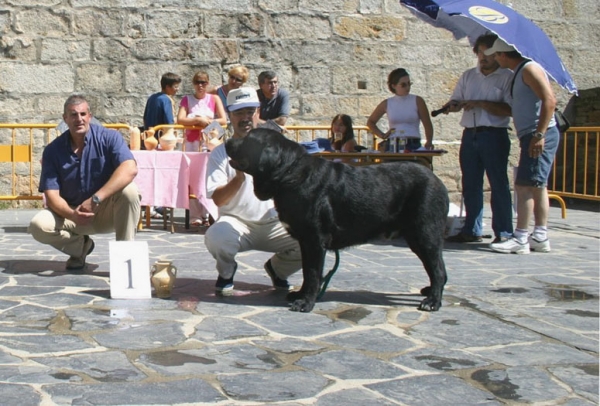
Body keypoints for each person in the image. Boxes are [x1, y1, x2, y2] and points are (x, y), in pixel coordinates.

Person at [204, 87, 302, 295]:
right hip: (237, 223)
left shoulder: (278, 148)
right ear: (229, 115)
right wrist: (239, 177)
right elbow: (219, 200)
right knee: (217, 237)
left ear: (258, 113)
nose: (245, 118)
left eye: (250, 111)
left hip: (275, 222)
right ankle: (226, 272)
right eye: (239, 113)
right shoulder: (220, 154)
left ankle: (278, 270)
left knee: (313, 238)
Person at [28, 94, 141, 271]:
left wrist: (96, 199)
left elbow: (130, 168)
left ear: (90, 116)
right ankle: (81, 247)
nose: (78, 119)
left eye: (82, 114)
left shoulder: (110, 138)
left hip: (105, 210)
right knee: (38, 226)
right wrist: (73, 215)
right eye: (73, 115)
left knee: (130, 191)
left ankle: (124, 262)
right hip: (70, 213)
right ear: (65, 119)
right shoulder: (52, 150)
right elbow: (51, 195)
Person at [485, 38, 559, 254]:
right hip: (531, 134)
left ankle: (521, 237)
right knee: (536, 184)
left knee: (525, 185)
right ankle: (539, 236)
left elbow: (550, 100)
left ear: (504, 55)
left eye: (496, 55)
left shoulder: (529, 69)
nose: (495, 58)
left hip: (537, 134)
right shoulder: (519, 72)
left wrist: (539, 134)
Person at [442, 34, 514, 244]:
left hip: (494, 134)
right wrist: (452, 106)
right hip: (470, 133)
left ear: (497, 55)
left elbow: (510, 109)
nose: (483, 57)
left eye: (488, 53)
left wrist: (481, 103)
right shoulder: (468, 76)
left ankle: (504, 232)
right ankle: (471, 229)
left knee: (498, 183)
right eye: (480, 52)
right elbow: (456, 99)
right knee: (470, 183)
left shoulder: (507, 77)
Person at [177, 71, 227, 227]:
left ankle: (208, 213)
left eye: (204, 82)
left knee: (208, 177)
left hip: (209, 143)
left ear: (208, 83)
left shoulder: (214, 99)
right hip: (192, 143)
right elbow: (180, 119)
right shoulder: (187, 100)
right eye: (198, 82)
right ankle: (195, 215)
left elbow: (223, 119)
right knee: (192, 178)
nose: (201, 85)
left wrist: (207, 121)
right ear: (193, 83)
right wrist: (197, 120)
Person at [142, 72, 182, 219]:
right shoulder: (165, 100)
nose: (177, 90)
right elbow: (169, 122)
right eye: (175, 87)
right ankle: (157, 204)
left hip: (149, 138)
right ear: (167, 87)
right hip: (162, 141)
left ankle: (150, 206)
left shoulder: (152, 98)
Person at [367, 68, 434, 152]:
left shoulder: (417, 101)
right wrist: (382, 135)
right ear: (393, 86)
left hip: (413, 143)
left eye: (409, 84)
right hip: (393, 143)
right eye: (403, 85)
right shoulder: (387, 103)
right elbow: (371, 122)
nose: (407, 87)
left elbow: (427, 123)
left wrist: (429, 141)